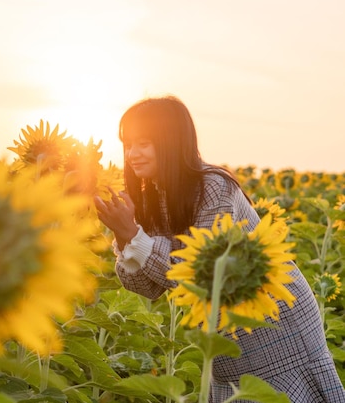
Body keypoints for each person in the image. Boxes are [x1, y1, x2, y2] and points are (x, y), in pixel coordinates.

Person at [94, 95, 345, 402]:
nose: (133, 154)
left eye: (143, 143)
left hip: (278, 330)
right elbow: (146, 287)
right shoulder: (154, 197)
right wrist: (124, 236)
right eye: (128, 144)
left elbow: (206, 278)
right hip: (229, 342)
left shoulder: (213, 187)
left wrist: (134, 234)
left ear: (171, 142)